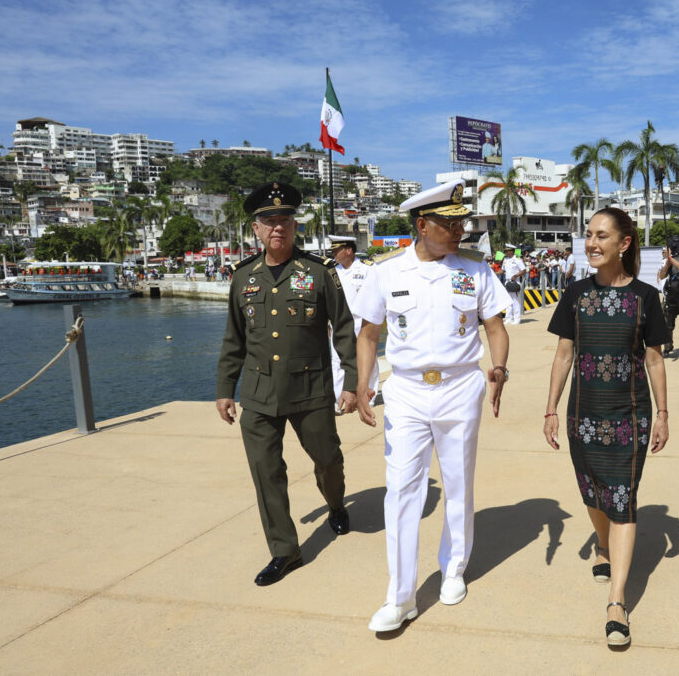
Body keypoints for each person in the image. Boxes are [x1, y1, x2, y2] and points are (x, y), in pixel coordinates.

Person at [352, 180, 511, 633]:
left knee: (458, 481)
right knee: (402, 488)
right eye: (450, 224)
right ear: (422, 226)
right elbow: (368, 335)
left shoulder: (475, 270)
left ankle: (453, 568)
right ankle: (400, 597)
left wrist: (499, 369)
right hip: (406, 390)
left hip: (460, 387)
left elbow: (495, 327)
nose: (460, 231)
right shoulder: (386, 272)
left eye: (462, 223)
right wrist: (363, 384)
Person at [215, 181, 358, 587]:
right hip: (259, 393)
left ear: (295, 226)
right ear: (256, 229)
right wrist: (225, 389)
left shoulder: (319, 272)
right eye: (269, 221)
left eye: (284, 220)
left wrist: (351, 381)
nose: (277, 227)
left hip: (310, 389)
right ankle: (285, 550)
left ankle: (336, 504)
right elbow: (234, 338)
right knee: (266, 473)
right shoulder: (243, 277)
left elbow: (343, 328)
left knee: (328, 459)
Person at [544, 207, 670, 647]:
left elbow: (654, 359)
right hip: (583, 414)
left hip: (629, 418)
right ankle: (602, 543)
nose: (592, 243)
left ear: (624, 242)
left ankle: (617, 601)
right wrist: (551, 409)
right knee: (592, 490)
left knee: (622, 497)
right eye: (589, 235)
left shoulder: (646, 297)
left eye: (601, 235)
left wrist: (663, 413)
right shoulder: (575, 294)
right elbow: (564, 354)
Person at [327, 235, 379, 411]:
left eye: (337, 250)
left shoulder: (367, 269)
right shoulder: (332, 271)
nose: (334, 253)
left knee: (368, 359)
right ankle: (340, 399)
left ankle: (369, 396)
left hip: (362, 321)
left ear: (348, 250)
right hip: (339, 322)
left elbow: (375, 296)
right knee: (337, 360)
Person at [501, 244, 527, 325]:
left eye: (507, 251)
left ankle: (517, 319)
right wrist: (494, 272)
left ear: (512, 251)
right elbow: (503, 270)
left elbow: (524, 270)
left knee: (516, 301)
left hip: (515, 282)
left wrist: (516, 275)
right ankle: (508, 318)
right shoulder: (505, 260)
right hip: (507, 282)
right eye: (506, 251)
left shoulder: (518, 260)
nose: (506, 252)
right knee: (508, 301)